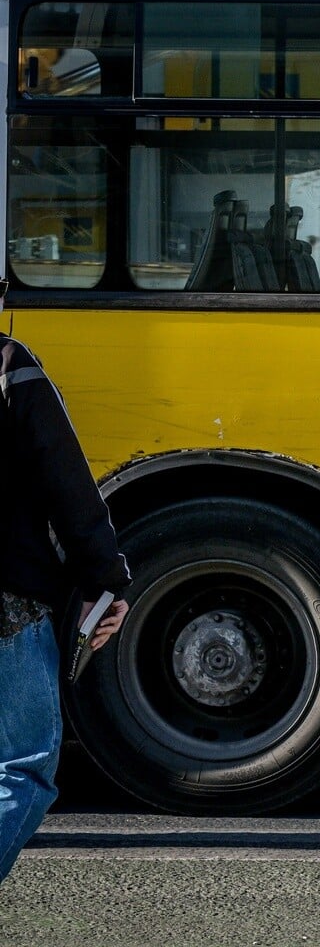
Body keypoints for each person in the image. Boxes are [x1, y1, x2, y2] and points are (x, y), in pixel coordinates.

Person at [1, 279, 131, 884]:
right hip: (9, 598)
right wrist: (108, 582)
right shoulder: (9, 366)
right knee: (22, 770)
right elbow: (70, 490)